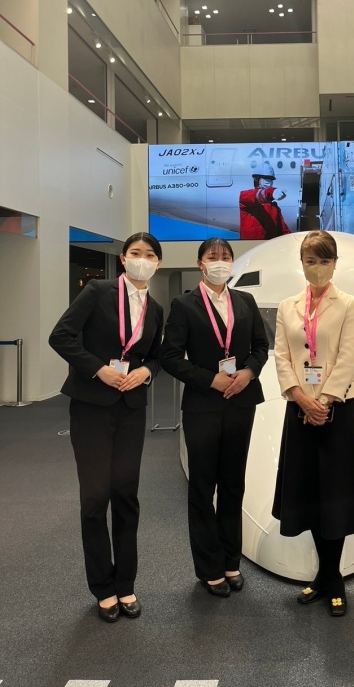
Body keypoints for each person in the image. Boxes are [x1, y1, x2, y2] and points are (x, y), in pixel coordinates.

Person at [49, 232, 164, 623]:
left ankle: (126, 584)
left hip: (131, 409)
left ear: (158, 263)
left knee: (126, 496)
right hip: (91, 407)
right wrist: (98, 369)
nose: (142, 259)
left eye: (149, 255)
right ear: (123, 259)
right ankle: (103, 588)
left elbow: (155, 356)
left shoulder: (156, 309)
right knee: (95, 498)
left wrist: (146, 371)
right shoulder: (98, 292)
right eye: (135, 253)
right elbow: (60, 336)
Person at [160, 238, 268, 598]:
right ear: (200, 263)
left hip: (241, 401)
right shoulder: (184, 305)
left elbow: (260, 347)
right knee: (203, 486)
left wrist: (248, 373)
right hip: (203, 405)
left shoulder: (245, 300)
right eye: (212, 256)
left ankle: (231, 561)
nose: (220, 262)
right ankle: (209, 568)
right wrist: (210, 379)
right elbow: (170, 356)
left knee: (233, 484)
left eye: (225, 256)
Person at [272, 230, 354, 616]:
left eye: (324, 260)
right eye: (310, 261)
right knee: (309, 493)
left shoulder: (348, 304)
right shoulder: (287, 306)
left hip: (338, 409)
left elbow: (348, 357)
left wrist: (324, 401)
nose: (317, 268)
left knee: (336, 494)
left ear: (334, 264)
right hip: (299, 408)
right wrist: (301, 398)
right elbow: (282, 356)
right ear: (302, 264)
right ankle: (325, 575)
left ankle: (332, 577)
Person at [239, 161, 291, 240]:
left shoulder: (274, 208)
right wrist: (271, 192)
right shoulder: (245, 197)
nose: (269, 182)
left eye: (271, 180)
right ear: (257, 180)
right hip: (250, 246)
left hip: (269, 246)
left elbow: (284, 231)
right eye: (266, 179)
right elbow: (259, 195)